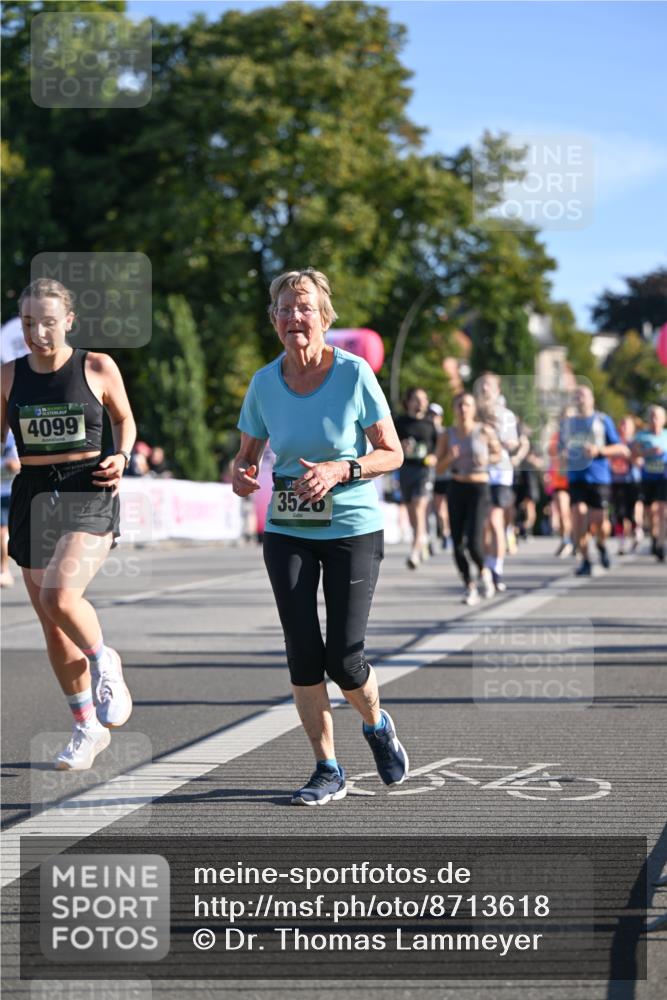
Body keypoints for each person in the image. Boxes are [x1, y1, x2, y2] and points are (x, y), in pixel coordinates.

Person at [232, 267, 408, 806]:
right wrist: (241, 475)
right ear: (274, 321)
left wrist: (340, 470)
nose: (293, 317)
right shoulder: (264, 383)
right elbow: (246, 458)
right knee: (303, 652)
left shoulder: (354, 374)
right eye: (284, 309)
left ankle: (376, 725)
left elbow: (393, 452)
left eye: (304, 306)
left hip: (352, 526)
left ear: (324, 317)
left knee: (345, 659)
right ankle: (327, 767)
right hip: (288, 526)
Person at [0, 278, 136, 770]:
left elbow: (125, 420)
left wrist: (122, 456)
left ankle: (104, 659)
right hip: (33, 494)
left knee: (60, 595)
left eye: (49, 323)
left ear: (69, 322)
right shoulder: (8, 376)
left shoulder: (97, 366)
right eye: (31, 323)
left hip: (88, 487)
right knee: (54, 628)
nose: (39, 334)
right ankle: (86, 727)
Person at [435, 392, 501, 605]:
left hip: (479, 487)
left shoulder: (484, 431)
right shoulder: (448, 434)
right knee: (457, 543)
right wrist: (449, 458)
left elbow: (499, 455)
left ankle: (484, 571)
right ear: (454, 409)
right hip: (456, 486)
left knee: (473, 541)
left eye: (467, 405)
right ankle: (469, 586)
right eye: (460, 405)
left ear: (473, 409)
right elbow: (438, 468)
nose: (463, 409)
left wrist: (488, 458)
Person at [559, 385, 630, 575]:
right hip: (576, 477)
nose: (579, 399)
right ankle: (586, 560)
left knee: (599, 522)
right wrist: (564, 455)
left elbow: (620, 448)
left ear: (591, 400)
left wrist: (599, 451)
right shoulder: (567, 424)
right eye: (576, 396)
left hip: (599, 477)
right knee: (578, 517)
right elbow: (560, 449)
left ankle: (601, 544)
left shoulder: (602, 420)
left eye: (583, 396)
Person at [474, 373, 519, 593]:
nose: (484, 388)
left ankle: (497, 569)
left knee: (494, 520)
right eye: (481, 384)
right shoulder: (474, 413)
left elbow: (513, 443)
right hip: (478, 472)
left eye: (488, 385)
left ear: (498, 390)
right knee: (482, 524)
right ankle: (486, 565)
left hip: (500, 473)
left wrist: (496, 436)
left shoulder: (506, 415)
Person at [394, 387, 438, 569]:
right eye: (416, 399)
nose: (420, 403)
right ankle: (421, 538)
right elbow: (391, 444)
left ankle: (414, 551)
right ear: (408, 402)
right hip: (406, 470)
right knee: (412, 511)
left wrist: (434, 456)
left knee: (419, 507)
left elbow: (437, 447)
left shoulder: (430, 424)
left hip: (424, 471)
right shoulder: (400, 422)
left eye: (424, 399)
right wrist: (401, 446)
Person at [633, 405, 667, 562]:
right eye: (652, 416)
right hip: (647, 478)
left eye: (657, 417)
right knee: (650, 512)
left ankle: (660, 543)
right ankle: (654, 536)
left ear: (663, 419)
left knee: (662, 510)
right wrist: (648, 453)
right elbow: (634, 454)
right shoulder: (641, 436)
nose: (654, 420)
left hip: (664, 477)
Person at [610, 415, 642, 556]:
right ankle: (621, 542)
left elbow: (639, 462)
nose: (623, 427)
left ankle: (636, 532)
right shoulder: (613, 442)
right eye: (621, 424)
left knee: (631, 512)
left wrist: (630, 455)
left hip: (632, 481)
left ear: (632, 428)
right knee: (619, 512)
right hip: (616, 481)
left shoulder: (635, 442)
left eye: (626, 425)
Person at [428, 402, 451, 549]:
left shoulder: (445, 433)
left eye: (435, 415)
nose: (432, 418)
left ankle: (445, 534)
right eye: (430, 415)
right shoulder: (424, 432)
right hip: (427, 476)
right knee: (432, 509)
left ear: (440, 418)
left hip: (443, 475)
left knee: (442, 509)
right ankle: (431, 538)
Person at [1, 429, 20, 586]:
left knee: (2, 531)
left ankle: (4, 570)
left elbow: (17, 464)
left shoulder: (11, 436)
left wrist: (12, 465)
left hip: (7, 489)